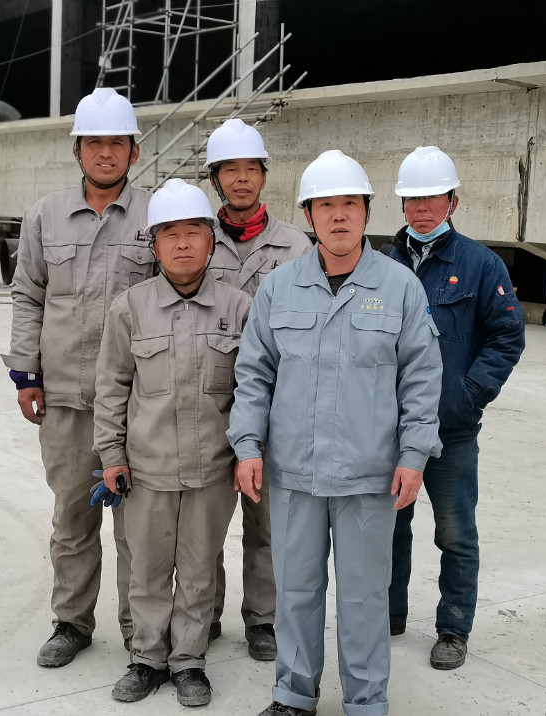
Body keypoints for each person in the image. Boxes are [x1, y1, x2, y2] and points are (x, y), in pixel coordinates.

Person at [227, 150, 443, 716]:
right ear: (309, 215)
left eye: (350, 203)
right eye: (326, 205)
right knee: (296, 590)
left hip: (370, 475)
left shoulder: (399, 288)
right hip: (294, 472)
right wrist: (246, 446)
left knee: (365, 596)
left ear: (367, 212)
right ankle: (293, 695)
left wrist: (414, 455)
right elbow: (254, 374)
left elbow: (423, 378)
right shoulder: (279, 288)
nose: (339, 215)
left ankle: (366, 701)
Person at [1, 87, 153, 668]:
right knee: (72, 516)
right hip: (64, 396)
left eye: (117, 142)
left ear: (134, 151)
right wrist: (26, 373)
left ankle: (142, 631)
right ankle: (71, 622)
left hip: (137, 401)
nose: (105, 152)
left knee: (137, 525)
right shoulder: (45, 214)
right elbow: (28, 294)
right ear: (77, 150)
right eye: (94, 142)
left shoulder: (156, 215)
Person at [93, 178, 251, 707]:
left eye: (193, 233)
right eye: (170, 234)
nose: (182, 244)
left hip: (212, 469)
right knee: (147, 570)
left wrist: (247, 453)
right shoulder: (130, 308)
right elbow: (111, 388)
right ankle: (147, 659)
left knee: (200, 570)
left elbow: (253, 390)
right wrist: (111, 457)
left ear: (211, 241)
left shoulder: (239, 307)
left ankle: (188, 663)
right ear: (154, 245)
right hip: (147, 470)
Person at [380, 145, 526, 670]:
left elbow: (507, 336)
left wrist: (467, 395)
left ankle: (453, 629)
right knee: (388, 530)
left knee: (456, 533)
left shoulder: (481, 265)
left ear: (453, 202)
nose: (421, 208)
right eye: (412, 199)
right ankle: (388, 616)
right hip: (389, 430)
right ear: (401, 204)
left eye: (432, 198)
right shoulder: (382, 263)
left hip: (451, 431)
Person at [203, 118, 312, 660]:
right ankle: (203, 613)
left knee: (267, 522)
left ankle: (263, 619)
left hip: (274, 402)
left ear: (264, 177)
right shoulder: (194, 237)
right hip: (205, 399)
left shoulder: (296, 246)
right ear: (215, 179)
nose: (241, 179)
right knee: (203, 522)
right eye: (230, 170)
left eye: (251, 169)